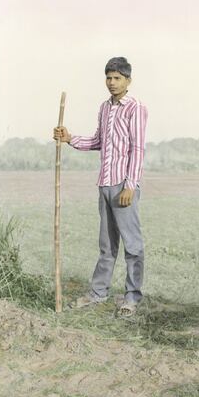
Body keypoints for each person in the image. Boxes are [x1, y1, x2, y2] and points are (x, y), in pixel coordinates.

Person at [53, 57, 148, 318]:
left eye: (117, 78)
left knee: (133, 245)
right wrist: (70, 138)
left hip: (123, 185)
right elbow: (98, 141)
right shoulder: (105, 108)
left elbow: (137, 149)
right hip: (104, 183)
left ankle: (131, 296)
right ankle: (98, 292)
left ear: (128, 80)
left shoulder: (135, 107)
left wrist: (130, 185)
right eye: (109, 77)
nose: (112, 83)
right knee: (106, 244)